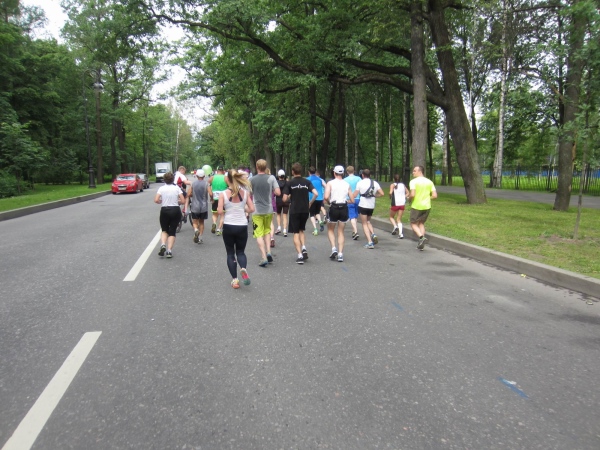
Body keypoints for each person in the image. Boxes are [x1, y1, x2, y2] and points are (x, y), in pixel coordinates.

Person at [217, 169, 255, 289]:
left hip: (228, 225)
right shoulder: (245, 193)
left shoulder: (223, 194)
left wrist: (226, 210)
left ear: (227, 179)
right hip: (242, 225)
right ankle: (243, 268)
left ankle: (235, 280)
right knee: (241, 252)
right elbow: (252, 209)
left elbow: (219, 211)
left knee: (230, 253)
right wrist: (243, 209)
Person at [283, 162, 318, 264]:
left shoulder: (289, 183)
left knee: (296, 232)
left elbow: (284, 199)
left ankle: (299, 255)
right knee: (301, 230)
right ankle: (304, 247)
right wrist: (310, 203)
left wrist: (290, 196)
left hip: (295, 210)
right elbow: (316, 193)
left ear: (292, 171)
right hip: (305, 210)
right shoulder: (307, 182)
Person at [250, 159, 281, 267]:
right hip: (268, 209)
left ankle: (263, 257)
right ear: (266, 167)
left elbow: (248, 193)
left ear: (257, 167)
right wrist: (271, 189)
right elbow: (278, 192)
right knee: (267, 231)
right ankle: (268, 252)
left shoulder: (252, 179)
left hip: (256, 210)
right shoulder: (271, 178)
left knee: (258, 234)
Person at [324, 165, 354, 262]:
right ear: (343, 173)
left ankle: (334, 248)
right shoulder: (347, 184)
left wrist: (329, 202)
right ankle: (340, 254)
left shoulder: (330, 183)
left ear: (334, 173)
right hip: (344, 207)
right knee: (341, 231)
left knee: (330, 229)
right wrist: (346, 201)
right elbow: (352, 200)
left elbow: (326, 197)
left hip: (334, 207)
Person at [154, 171, 185, 258]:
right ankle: (169, 251)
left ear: (164, 180)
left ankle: (163, 244)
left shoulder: (161, 188)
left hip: (165, 210)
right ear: (173, 180)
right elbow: (183, 201)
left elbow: (156, 200)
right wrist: (177, 201)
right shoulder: (177, 188)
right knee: (172, 231)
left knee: (164, 230)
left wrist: (161, 201)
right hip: (175, 210)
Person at [353, 169, 384, 249]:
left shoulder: (360, 183)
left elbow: (355, 195)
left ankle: (370, 242)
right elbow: (382, 193)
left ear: (362, 175)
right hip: (371, 205)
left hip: (363, 204)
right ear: (370, 175)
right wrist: (375, 196)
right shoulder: (375, 183)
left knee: (364, 223)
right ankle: (373, 234)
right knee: (368, 221)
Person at [408, 165, 437, 250]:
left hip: (416, 206)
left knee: (413, 223)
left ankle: (421, 237)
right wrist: (427, 198)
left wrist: (409, 199)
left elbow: (412, 194)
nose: (413, 172)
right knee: (421, 223)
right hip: (427, 206)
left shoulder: (413, 182)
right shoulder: (429, 182)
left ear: (420, 171)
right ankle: (421, 242)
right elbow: (434, 195)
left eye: (414, 171)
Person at [189, 169, 212, 244]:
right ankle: (200, 238)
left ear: (196, 176)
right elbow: (211, 194)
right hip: (203, 207)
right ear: (204, 176)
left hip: (195, 206)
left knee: (195, 221)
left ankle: (196, 230)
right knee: (201, 222)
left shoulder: (193, 184)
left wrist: (193, 195)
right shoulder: (206, 184)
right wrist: (212, 199)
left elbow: (188, 194)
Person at [307, 166, 326, 235]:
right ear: (315, 172)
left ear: (308, 172)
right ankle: (320, 221)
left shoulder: (307, 179)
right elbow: (326, 186)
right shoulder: (320, 179)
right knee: (317, 212)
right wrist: (324, 195)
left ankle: (315, 229)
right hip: (320, 198)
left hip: (312, 198)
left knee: (312, 214)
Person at [344, 166, 362, 240]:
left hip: (349, 199)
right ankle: (354, 231)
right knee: (355, 215)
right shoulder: (358, 178)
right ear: (354, 171)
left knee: (351, 216)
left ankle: (355, 231)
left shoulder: (345, 180)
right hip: (358, 198)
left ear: (347, 172)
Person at [389, 173, 410, 239]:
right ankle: (401, 234)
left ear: (393, 179)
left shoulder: (393, 185)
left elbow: (390, 192)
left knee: (391, 217)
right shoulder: (403, 185)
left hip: (395, 203)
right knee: (399, 219)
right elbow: (408, 193)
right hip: (402, 203)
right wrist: (404, 197)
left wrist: (390, 196)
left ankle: (395, 226)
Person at [209, 165, 227, 235]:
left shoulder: (212, 178)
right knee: (222, 215)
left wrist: (211, 196)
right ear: (223, 171)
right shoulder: (225, 178)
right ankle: (219, 229)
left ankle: (214, 223)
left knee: (214, 214)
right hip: (223, 198)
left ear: (217, 171)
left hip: (215, 197)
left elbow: (208, 186)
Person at [275, 169, 290, 236]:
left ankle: (279, 227)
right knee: (285, 215)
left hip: (278, 200)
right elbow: (290, 192)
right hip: (286, 200)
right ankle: (285, 230)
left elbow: (275, 192)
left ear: (278, 176)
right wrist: (288, 197)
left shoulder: (276, 183)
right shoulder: (288, 183)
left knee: (278, 214)